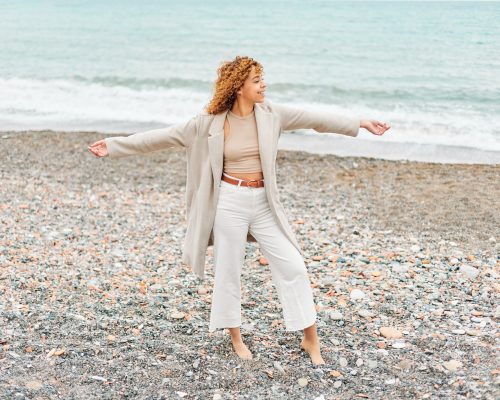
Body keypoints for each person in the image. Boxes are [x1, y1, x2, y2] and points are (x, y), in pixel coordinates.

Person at [88, 55, 390, 365]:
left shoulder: (273, 114)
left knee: (294, 266)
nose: (264, 85)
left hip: (263, 202)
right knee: (228, 271)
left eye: (262, 78)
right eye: (257, 80)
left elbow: (315, 118)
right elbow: (162, 137)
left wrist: (360, 123)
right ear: (239, 88)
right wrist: (113, 146)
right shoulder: (208, 124)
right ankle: (235, 336)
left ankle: (310, 339)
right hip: (229, 202)